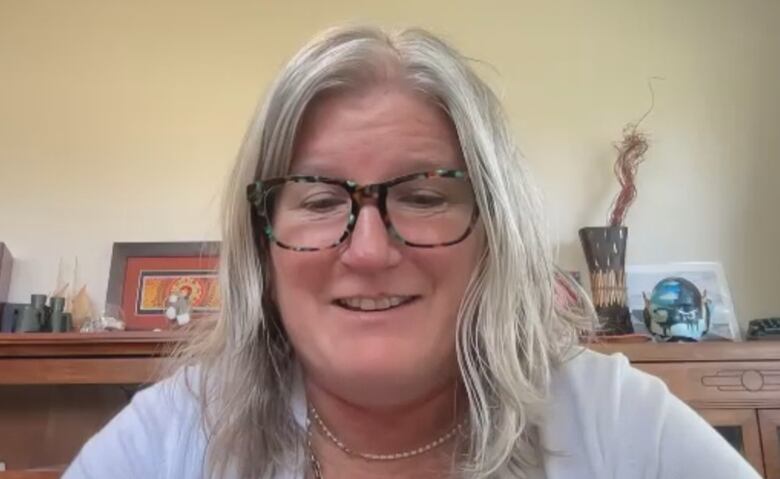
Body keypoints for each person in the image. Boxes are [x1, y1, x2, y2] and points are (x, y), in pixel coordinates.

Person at [63, 25, 759, 479]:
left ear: (496, 232)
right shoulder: (169, 439)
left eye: (425, 197)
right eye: (319, 198)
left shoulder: (617, 425)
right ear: (262, 243)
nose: (368, 251)